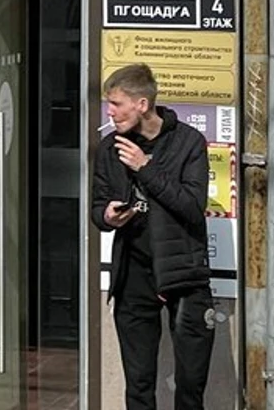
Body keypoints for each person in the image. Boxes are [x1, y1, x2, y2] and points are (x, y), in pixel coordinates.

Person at [90, 63, 213, 410]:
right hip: (133, 274)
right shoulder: (109, 148)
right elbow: (98, 208)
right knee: (138, 384)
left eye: (116, 104)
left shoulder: (188, 142)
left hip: (182, 273)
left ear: (142, 104)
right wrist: (107, 216)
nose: (110, 112)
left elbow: (192, 207)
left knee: (190, 385)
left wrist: (145, 167)